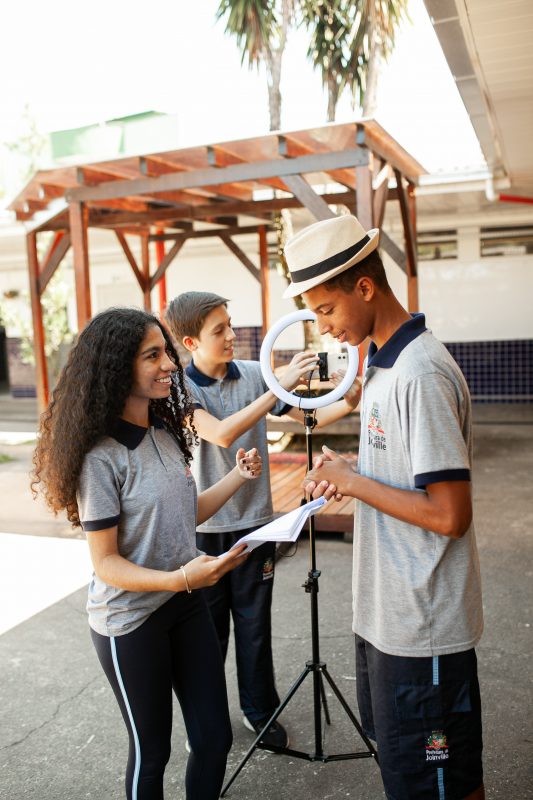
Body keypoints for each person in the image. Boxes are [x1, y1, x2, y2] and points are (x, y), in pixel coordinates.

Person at [282, 214, 484, 800]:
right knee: (413, 777)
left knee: (438, 785)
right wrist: (351, 473)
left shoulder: (418, 373)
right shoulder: (382, 364)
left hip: (423, 627)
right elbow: (398, 467)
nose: (324, 328)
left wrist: (355, 481)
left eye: (326, 311)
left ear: (364, 287)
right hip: (386, 618)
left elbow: (450, 514)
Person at [32, 307, 264, 800]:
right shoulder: (100, 457)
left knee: (214, 739)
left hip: (184, 606)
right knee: (151, 751)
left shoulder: (165, 432)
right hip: (130, 621)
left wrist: (237, 478)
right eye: (152, 355)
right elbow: (106, 564)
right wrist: (183, 577)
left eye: (168, 353)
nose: (170, 365)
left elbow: (184, 514)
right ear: (118, 366)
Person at [165, 291, 361, 749]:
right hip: (204, 530)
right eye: (220, 330)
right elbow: (221, 433)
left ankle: (259, 711)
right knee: (207, 638)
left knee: (255, 627)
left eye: (231, 324)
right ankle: (205, 722)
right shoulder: (181, 389)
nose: (233, 335)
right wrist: (276, 386)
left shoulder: (254, 373)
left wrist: (347, 400)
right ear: (191, 342)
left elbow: (305, 417)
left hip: (257, 524)